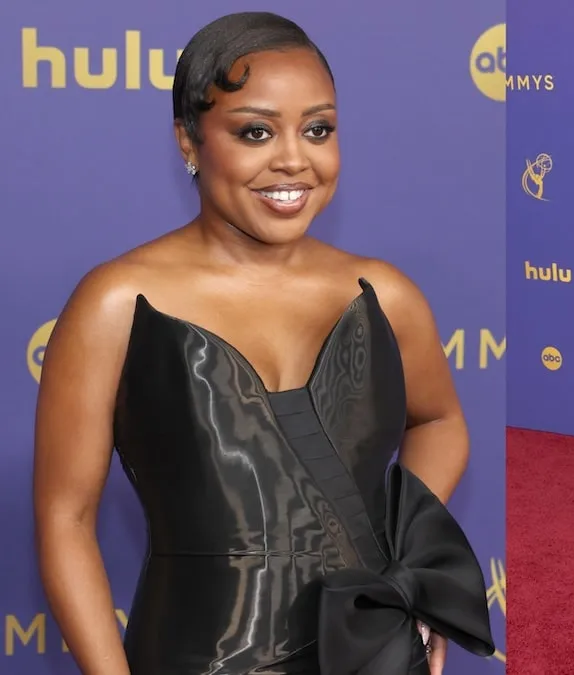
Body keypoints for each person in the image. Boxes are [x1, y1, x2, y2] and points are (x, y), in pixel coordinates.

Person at [32, 12, 494, 675]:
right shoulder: (114, 303)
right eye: (255, 131)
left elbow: (442, 419)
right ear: (188, 143)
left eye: (318, 129)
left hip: (375, 651)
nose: (293, 159)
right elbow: (65, 521)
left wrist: (407, 562)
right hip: (198, 658)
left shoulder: (385, 294)